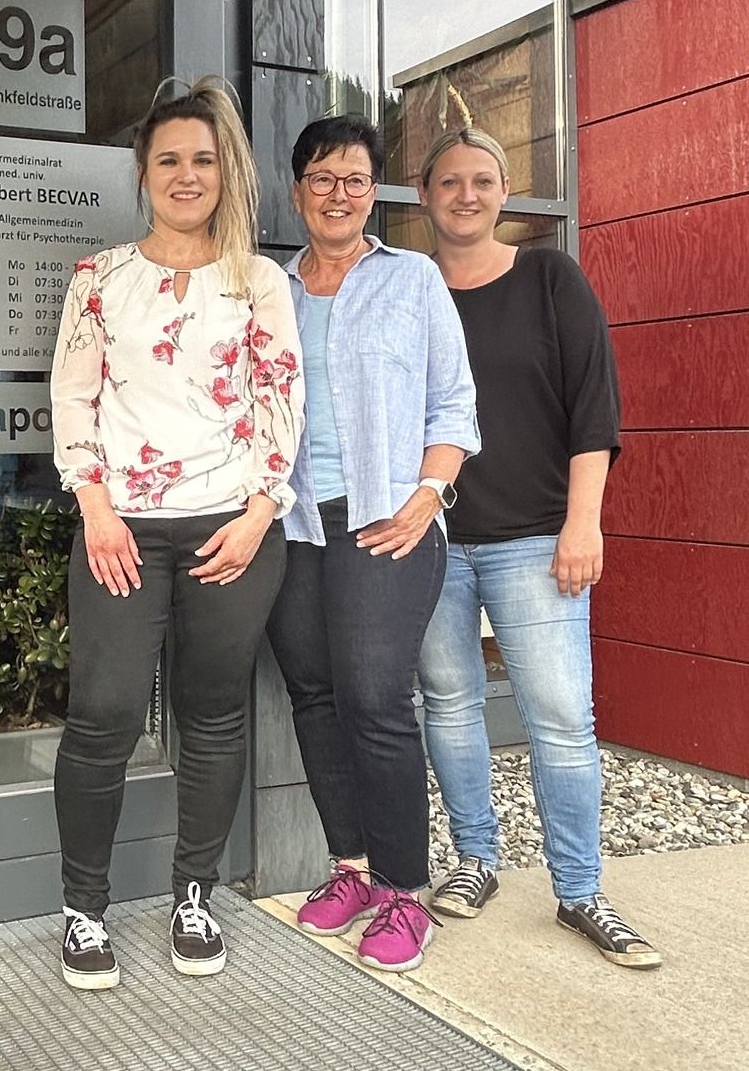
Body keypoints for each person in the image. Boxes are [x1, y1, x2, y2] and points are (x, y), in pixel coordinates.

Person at [49, 77, 302, 989]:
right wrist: (97, 507)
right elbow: (72, 397)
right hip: (121, 528)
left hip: (233, 528)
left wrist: (260, 514)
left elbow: (281, 401)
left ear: (222, 171)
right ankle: (84, 909)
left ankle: (194, 893)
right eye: (169, 161)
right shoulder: (99, 280)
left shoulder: (259, 281)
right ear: (143, 173)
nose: (186, 175)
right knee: (106, 714)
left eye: (202, 160)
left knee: (213, 713)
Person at [415, 127, 659, 967]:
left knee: (560, 721)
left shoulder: (551, 278)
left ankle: (581, 891)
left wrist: (582, 521)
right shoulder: (412, 290)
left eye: (483, 180)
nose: (467, 195)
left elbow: (594, 406)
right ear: (426, 194)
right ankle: (476, 860)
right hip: (434, 543)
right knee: (449, 708)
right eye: (451, 182)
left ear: (505, 191)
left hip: (536, 542)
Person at [266, 114, 479, 974]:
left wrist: (428, 498)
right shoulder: (268, 290)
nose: (339, 194)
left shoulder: (413, 280)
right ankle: (349, 867)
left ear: (375, 191)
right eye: (322, 178)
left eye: (355, 179)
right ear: (298, 191)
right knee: (314, 697)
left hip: (383, 518)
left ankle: (403, 891)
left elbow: (454, 404)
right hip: (290, 520)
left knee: (375, 701)